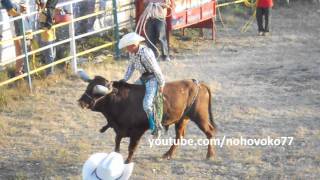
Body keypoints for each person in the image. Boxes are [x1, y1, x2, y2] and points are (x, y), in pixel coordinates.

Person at [119, 32, 165, 138]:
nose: (126, 49)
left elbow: (156, 69)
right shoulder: (132, 53)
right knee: (130, 95)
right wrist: (124, 79)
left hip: (152, 79)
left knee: (147, 104)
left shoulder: (146, 53)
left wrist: (161, 84)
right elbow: (131, 67)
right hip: (143, 77)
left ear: (133, 45)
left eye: (128, 47)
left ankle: (157, 126)